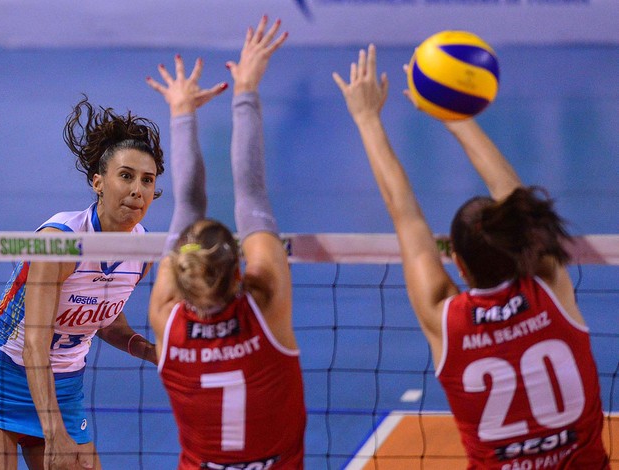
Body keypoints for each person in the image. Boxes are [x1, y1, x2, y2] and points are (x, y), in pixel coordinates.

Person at [333, 45, 609, 469]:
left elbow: (404, 214)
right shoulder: (549, 288)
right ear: (522, 243)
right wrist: (456, 118)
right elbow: (515, 197)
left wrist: (367, 118)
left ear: (458, 265)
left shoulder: (445, 319)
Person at [0, 96, 166, 470]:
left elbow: (103, 320)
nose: (137, 190)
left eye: (147, 180)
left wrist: (147, 350)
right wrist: (54, 433)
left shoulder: (142, 250)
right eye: (125, 176)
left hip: (64, 391)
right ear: (98, 181)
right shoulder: (60, 242)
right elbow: (34, 345)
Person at [147, 16, 306, 469]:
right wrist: (246, 90)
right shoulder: (266, 306)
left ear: (181, 272)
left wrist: (180, 112)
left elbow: (188, 204)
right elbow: (250, 193)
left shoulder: (166, 322)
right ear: (239, 271)